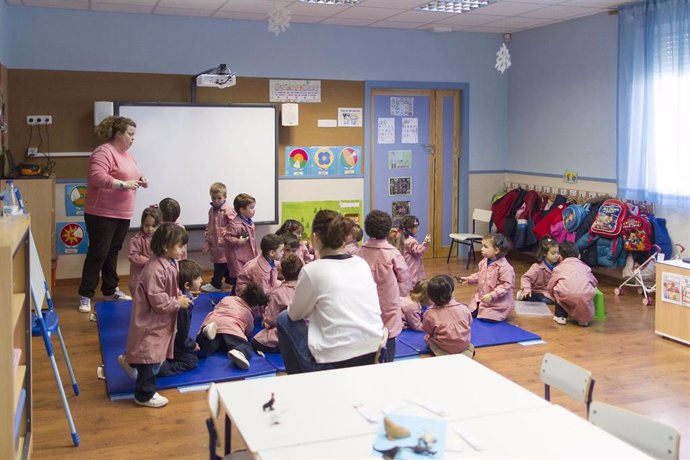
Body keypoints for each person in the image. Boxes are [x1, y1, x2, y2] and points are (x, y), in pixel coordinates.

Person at [276, 210, 385, 374]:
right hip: (373, 354)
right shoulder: (361, 263)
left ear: (314, 237)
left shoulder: (312, 270)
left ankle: (298, 380)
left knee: (284, 318)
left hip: (333, 363)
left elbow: (294, 315)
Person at [78, 115, 149, 320]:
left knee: (112, 252)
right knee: (98, 252)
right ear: (119, 134)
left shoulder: (127, 153)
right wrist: (122, 184)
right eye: (130, 134)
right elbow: (96, 177)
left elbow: (130, 174)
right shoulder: (103, 152)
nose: (133, 138)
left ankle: (110, 291)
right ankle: (85, 294)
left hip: (122, 212)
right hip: (101, 212)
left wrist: (140, 179)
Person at [122, 223, 191, 408]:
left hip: (161, 320)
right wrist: (178, 302)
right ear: (165, 247)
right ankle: (144, 395)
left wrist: (177, 294)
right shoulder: (154, 269)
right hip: (151, 321)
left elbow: (170, 286)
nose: (182, 250)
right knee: (150, 356)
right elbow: (158, 302)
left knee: (154, 354)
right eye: (179, 246)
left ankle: (130, 363)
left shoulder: (171, 262)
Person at [357, 210, 410, 361]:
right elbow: (405, 278)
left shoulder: (360, 252)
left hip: (365, 301)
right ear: (388, 230)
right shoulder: (393, 253)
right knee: (390, 333)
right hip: (389, 302)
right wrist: (399, 293)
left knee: (367, 330)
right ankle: (388, 363)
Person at [196, 284, 270, 370]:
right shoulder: (248, 313)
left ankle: (205, 338)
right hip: (231, 327)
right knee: (245, 345)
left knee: (207, 348)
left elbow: (217, 307)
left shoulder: (227, 299)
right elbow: (248, 331)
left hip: (214, 323)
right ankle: (239, 352)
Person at [157, 259, 203, 377]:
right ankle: (159, 367)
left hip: (163, 338)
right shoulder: (183, 306)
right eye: (198, 278)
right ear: (187, 285)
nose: (201, 280)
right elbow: (181, 335)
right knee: (191, 361)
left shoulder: (177, 294)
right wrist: (192, 345)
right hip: (171, 342)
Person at [457, 233, 515, 322]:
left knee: (487, 319)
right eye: (482, 246)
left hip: (498, 304)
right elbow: (480, 275)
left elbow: (506, 285)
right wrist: (468, 279)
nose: (482, 249)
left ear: (496, 250)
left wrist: (492, 295)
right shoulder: (484, 262)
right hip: (483, 298)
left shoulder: (505, 268)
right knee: (469, 312)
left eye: (485, 247)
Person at [252, 255, 303, 353]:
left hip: (288, 332)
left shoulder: (277, 293)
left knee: (255, 342)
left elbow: (271, 320)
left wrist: (265, 319)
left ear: (282, 273)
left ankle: (287, 347)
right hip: (306, 333)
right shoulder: (307, 288)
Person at [422, 275, 474, 358]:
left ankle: (443, 354)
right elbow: (469, 323)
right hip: (462, 344)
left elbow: (427, 330)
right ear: (452, 292)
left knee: (427, 339)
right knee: (467, 343)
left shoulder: (430, 314)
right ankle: (466, 352)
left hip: (444, 347)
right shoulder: (464, 308)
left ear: (430, 296)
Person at [547, 241, 598, 326]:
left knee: (557, 290)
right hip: (585, 294)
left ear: (561, 257)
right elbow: (594, 282)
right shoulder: (586, 268)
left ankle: (560, 316)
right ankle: (584, 320)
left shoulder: (558, 268)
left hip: (566, 294)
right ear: (579, 256)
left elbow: (551, 284)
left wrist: (552, 294)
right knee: (587, 293)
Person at [202, 182, 236, 292]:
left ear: (225, 197)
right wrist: (207, 239)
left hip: (224, 244)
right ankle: (230, 280)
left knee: (219, 264)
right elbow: (209, 226)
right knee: (222, 263)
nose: (216, 200)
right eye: (213, 198)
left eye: (219, 198)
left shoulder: (228, 210)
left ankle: (215, 284)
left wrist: (227, 231)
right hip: (215, 244)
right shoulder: (211, 210)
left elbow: (234, 224)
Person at [224, 193, 258, 289]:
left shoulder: (249, 221)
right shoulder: (235, 224)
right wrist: (239, 241)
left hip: (248, 255)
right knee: (238, 281)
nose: (253, 210)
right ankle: (235, 299)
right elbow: (227, 237)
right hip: (237, 258)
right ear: (242, 210)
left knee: (248, 278)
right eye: (251, 208)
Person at [235, 233, 284, 299]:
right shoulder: (260, 272)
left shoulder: (270, 259)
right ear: (272, 253)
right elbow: (262, 294)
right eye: (281, 251)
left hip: (265, 286)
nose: (283, 253)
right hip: (248, 295)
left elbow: (273, 278)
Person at [127, 207, 161, 297]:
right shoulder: (137, 239)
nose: (150, 229)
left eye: (153, 226)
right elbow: (132, 256)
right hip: (139, 275)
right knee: (139, 295)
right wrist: (149, 260)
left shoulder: (160, 239)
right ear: (142, 224)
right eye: (147, 225)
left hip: (154, 274)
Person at [517, 236, 559, 303]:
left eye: (558, 253)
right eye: (553, 253)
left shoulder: (560, 267)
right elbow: (526, 278)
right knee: (544, 300)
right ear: (545, 253)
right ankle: (525, 295)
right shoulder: (536, 267)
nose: (556, 255)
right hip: (538, 292)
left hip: (551, 294)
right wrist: (527, 289)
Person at [399, 215, 431, 285]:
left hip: (405, 265)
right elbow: (418, 252)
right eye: (416, 227)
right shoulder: (411, 241)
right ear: (409, 228)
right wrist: (426, 243)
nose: (417, 229)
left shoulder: (402, 238)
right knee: (414, 283)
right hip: (412, 268)